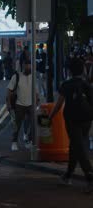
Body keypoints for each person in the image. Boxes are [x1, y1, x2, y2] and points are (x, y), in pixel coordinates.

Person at [49, 58, 93, 192]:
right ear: (83, 70)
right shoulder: (86, 85)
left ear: (70, 71)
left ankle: (90, 177)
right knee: (75, 146)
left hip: (72, 119)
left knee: (78, 148)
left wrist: (50, 116)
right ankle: (67, 175)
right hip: (87, 120)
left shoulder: (66, 85)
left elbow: (59, 104)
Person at [7, 61, 39, 151]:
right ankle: (14, 142)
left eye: (29, 67)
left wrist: (37, 101)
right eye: (26, 67)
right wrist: (9, 103)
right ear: (23, 67)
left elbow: (36, 91)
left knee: (33, 124)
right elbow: (9, 91)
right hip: (19, 104)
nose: (28, 69)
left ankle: (28, 140)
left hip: (31, 104)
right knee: (17, 124)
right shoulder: (16, 77)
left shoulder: (33, 77)